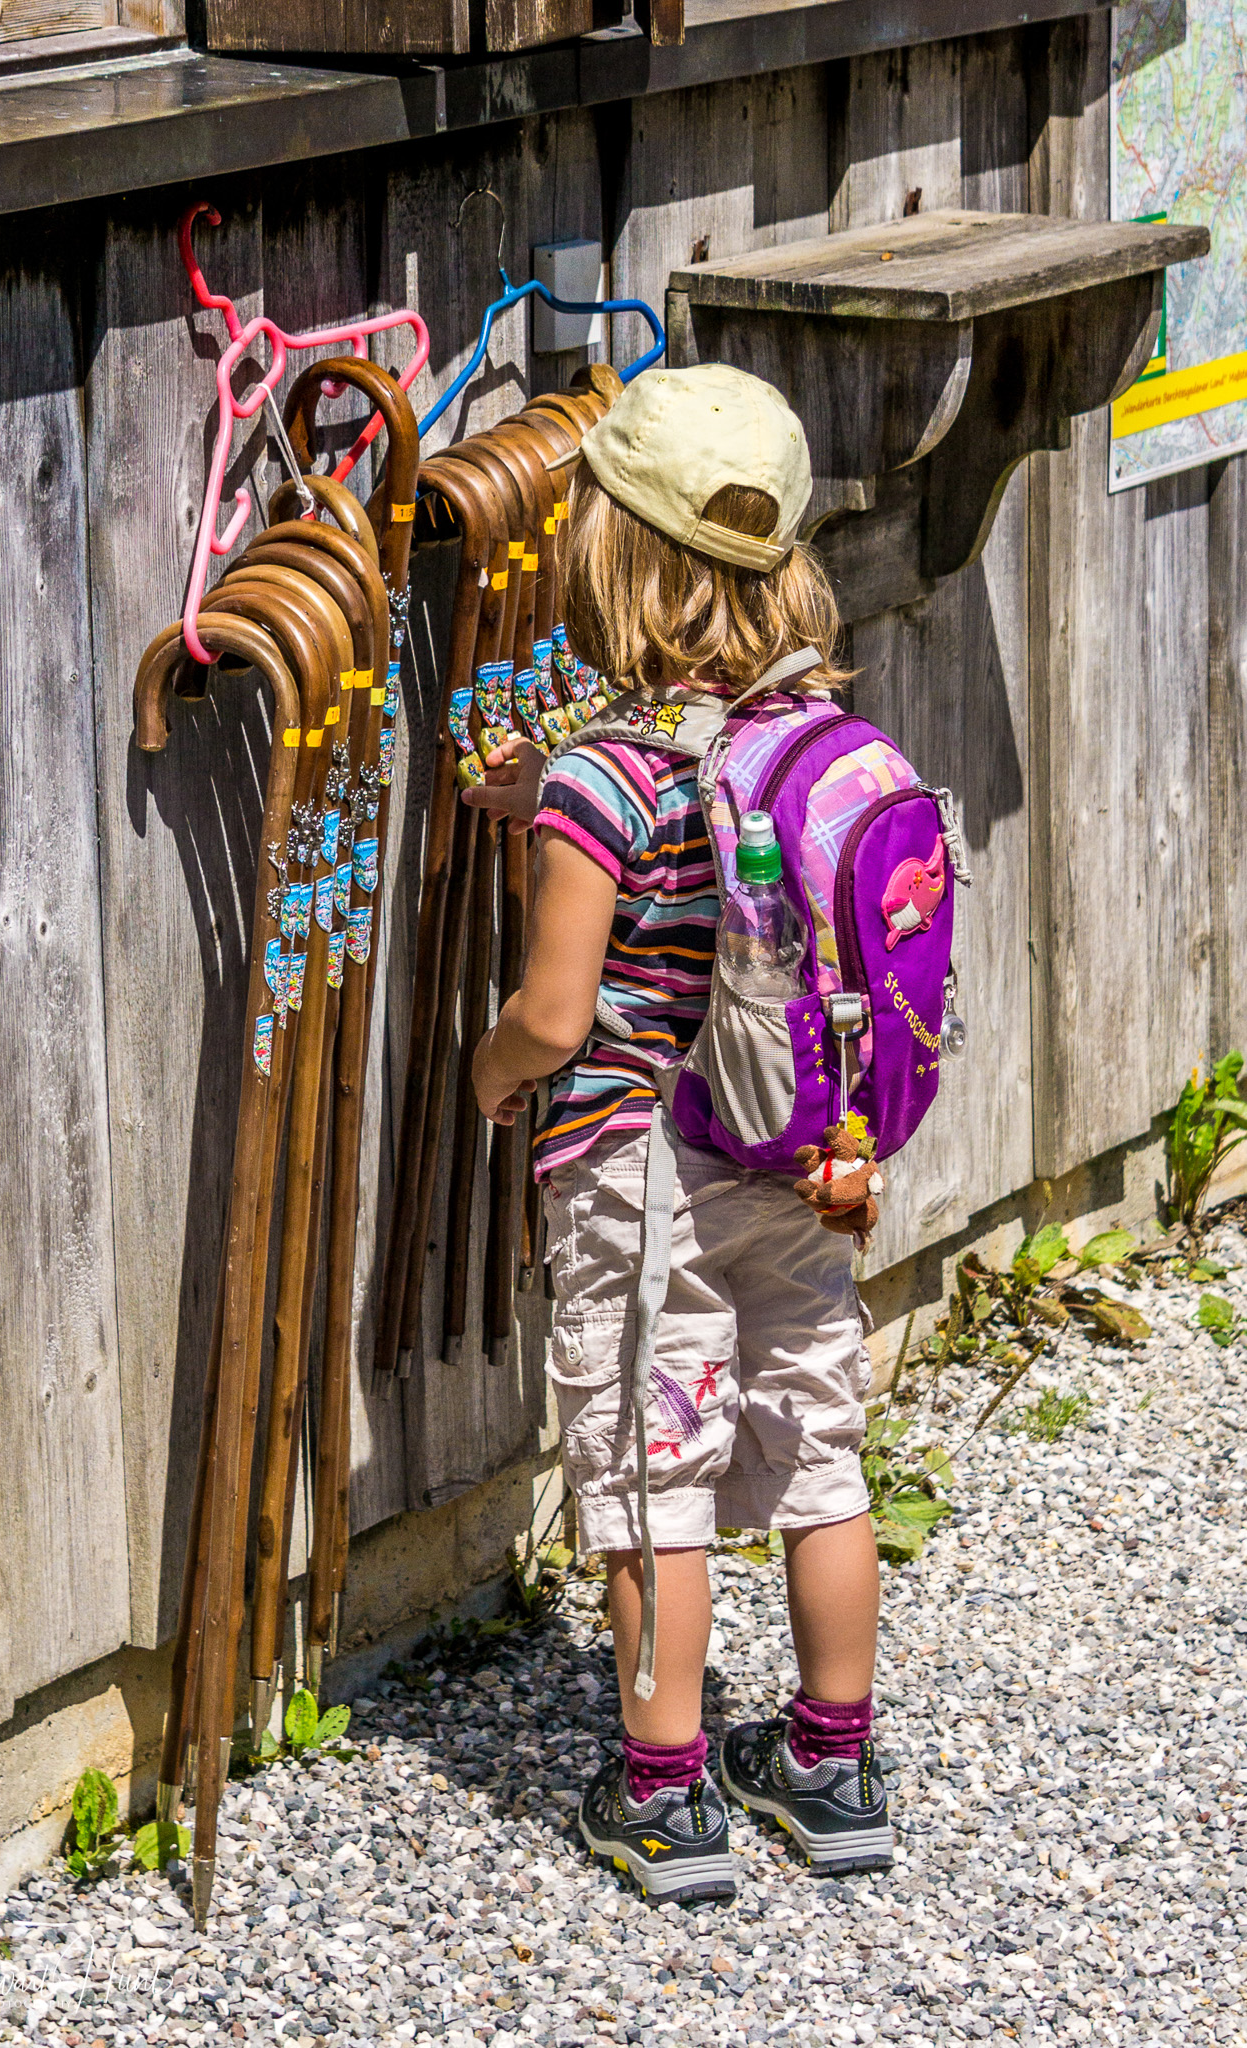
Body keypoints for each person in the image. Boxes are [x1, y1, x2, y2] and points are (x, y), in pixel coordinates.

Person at [464, 364, 891, 1905]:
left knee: (658, 1471)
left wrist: (491, 1073)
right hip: (793, 1153)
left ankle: (663, 1793)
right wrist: (545, 799)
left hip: (643, 1172)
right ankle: (832, 1764)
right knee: (814, 1443)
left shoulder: (605, 771)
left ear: (603, 553)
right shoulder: (807, 745)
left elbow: (559, 1010)